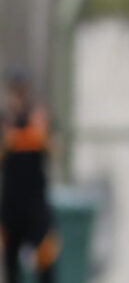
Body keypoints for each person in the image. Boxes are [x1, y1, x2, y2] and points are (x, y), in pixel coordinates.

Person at [1, 69, 59, 283]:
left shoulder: (38, 118)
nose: (18, 97)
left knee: (46, 261)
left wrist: (41, 134)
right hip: (11, 205)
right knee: (11, 265)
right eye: (14, 92)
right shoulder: (5, 122)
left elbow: (55, 150)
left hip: (36, 204)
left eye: (21, 92)